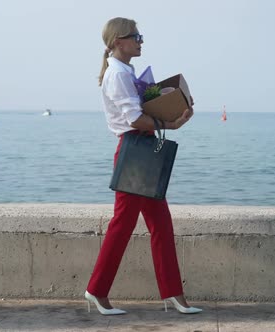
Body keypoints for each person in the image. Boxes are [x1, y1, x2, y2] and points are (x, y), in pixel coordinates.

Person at [84, 17, 201, 315]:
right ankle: (96, 291)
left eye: (140, 36)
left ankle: (173, 294)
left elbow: (142, 110)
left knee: (160, 224)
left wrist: (172, 103)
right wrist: (171, 124)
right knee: (122, 225)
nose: (140, 41)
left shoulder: (125, 71)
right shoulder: (118, 75)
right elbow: (134, 120)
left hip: (142, 149)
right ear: (117, 42)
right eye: (135, 36)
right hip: (135, 150)